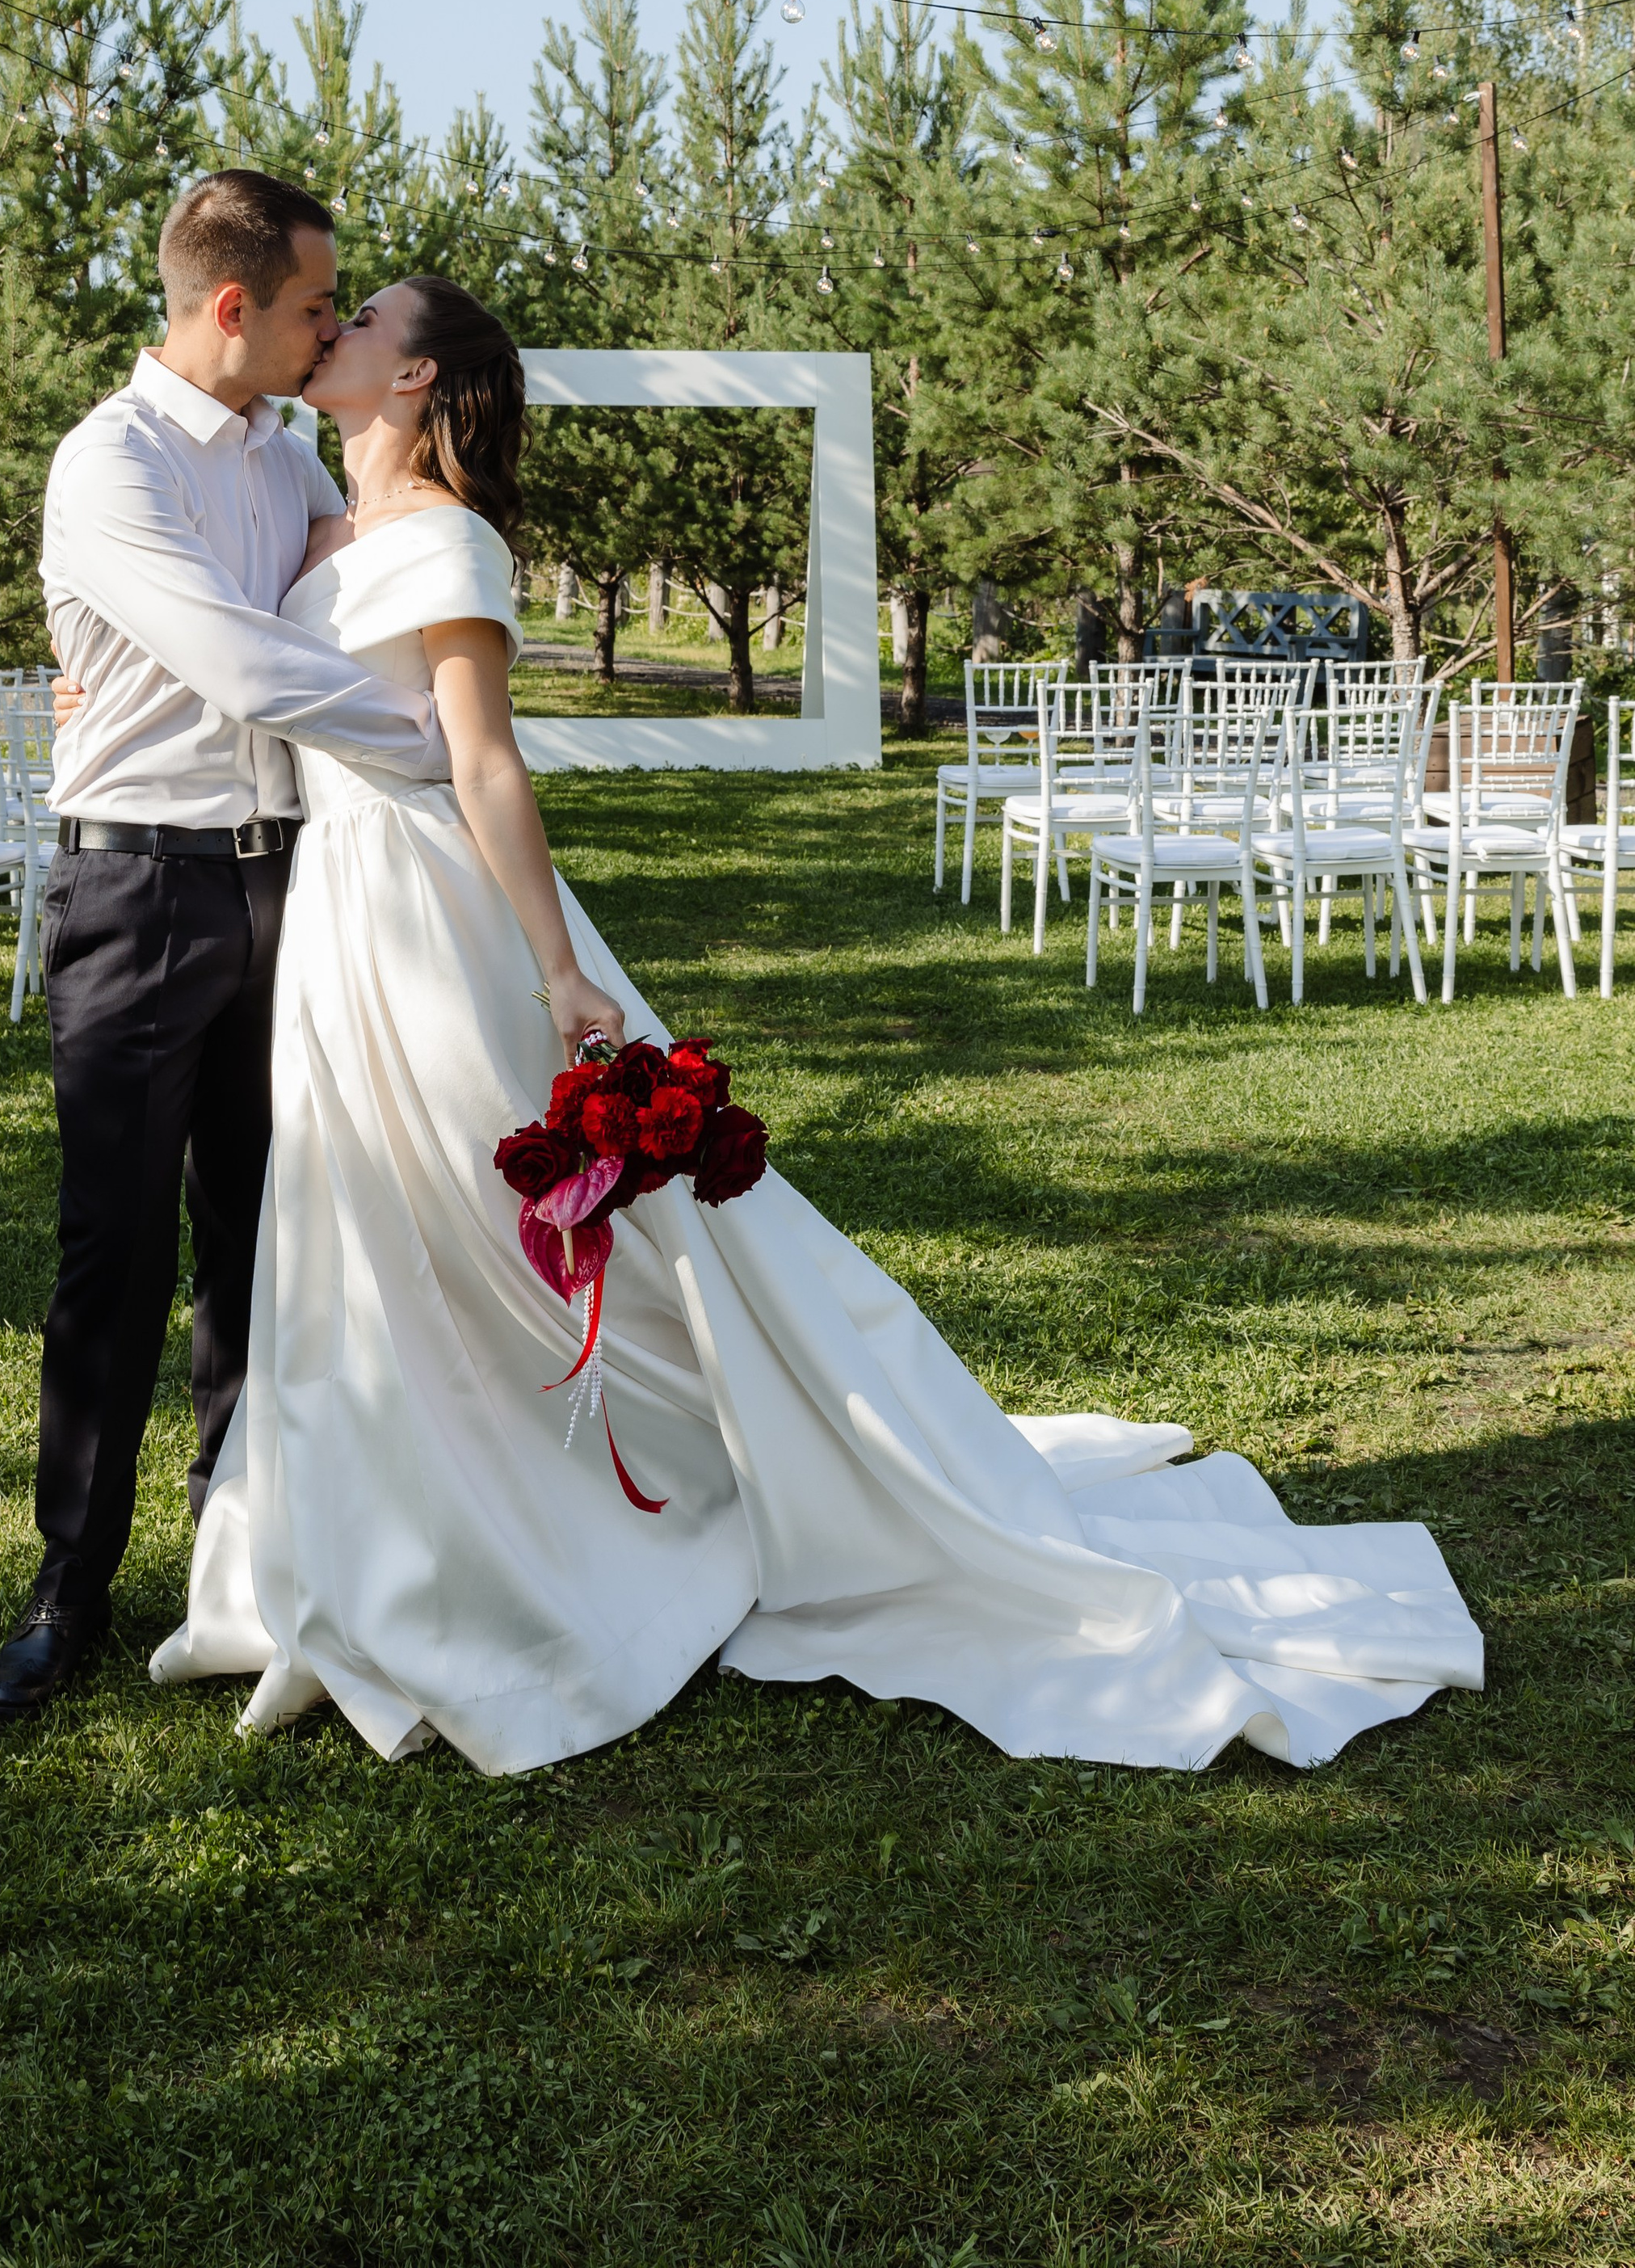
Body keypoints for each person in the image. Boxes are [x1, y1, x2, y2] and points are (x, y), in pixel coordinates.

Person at [141, 274, 1483, 1774]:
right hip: (335, 917)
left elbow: (490, 769)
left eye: (364, 320)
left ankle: (626, 1509)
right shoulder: (316, 523)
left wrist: (559, 970)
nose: (333, 331)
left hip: (437, 913)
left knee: (485, 1216)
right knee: (370, 1226)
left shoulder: (450, 544)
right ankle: (393, 1524)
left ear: (415, 382)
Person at [0, 172, 451, 1723]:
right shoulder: (107, 465)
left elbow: (360, 567)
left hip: (292, 883)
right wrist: (446, 748)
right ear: (232, 306)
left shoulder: (289, 445)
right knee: (115, 1254)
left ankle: (235, 1558)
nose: (331, 329)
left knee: (264, 1241)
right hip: (139, 897)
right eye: (318, 305)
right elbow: (249, 662)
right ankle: (69, 1590)